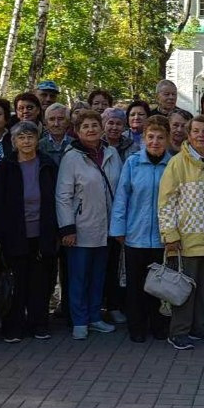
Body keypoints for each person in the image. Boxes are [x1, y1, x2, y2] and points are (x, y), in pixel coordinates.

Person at [0, 120, 59, 342]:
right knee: (16, 283)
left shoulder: (47, 164)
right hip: (14, 234)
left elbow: (58, 199)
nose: (26, 141)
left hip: (42, 233)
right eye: (21, 138)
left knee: (41, 283)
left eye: (30, 137)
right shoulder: (5, 167)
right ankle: (13, 327)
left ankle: (39, 324)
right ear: (14, 142)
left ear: (37, 140)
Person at [159, 114, 204, 349]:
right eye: (196, 131)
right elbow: (166, 201)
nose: (201, 135)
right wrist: (170, 234)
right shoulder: (177, 163)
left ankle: (201, 328)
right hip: (185, 240)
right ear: (189, 135)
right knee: (184, 289)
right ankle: (178, 331)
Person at [55, 109, 122, 340]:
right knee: (79, 277)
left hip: (107, 228)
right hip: (81, 227)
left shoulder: (112, 153)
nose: (91, 130)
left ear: (101, 128)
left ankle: (95, 317)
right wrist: (67, 228)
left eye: (95, 125)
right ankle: (79, 320)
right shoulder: (72, 157)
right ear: (77, 131)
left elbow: (120, 190)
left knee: (98, 276)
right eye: (86, 126)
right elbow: (63, 195)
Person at [109, 116, 173, 343]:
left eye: (160, 137)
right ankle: (137, 327)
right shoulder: (133, 162)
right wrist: (118, 228)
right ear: (144, 139)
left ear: (167, 140)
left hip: (162, 236)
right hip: (135, 234)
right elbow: (122, 197)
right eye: (151, 137)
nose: (155, 142)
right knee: (135, 285)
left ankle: (159, 325)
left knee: (159, 286)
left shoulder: (173, 164)